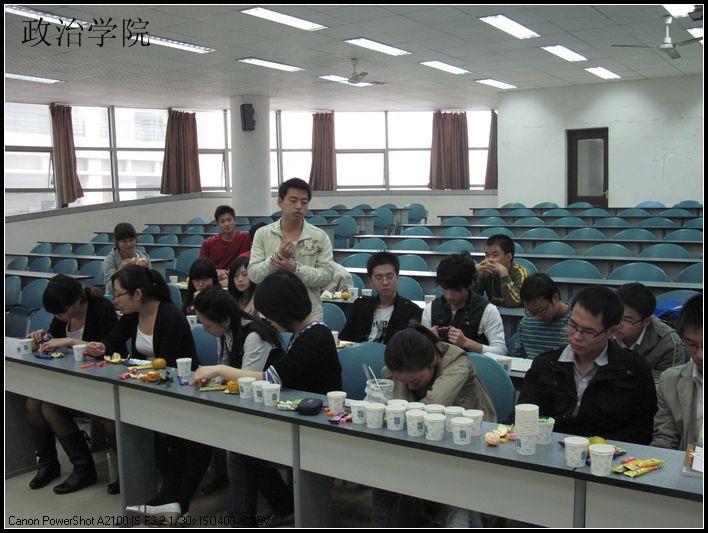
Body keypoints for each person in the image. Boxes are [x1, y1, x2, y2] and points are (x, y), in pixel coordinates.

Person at [193, 270, 341, 527]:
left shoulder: (315, 337)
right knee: (243, 448)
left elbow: (270, 378)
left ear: (282, 310)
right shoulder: (305, 334)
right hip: (299, 417)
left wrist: (219, 370)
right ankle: (280, 506)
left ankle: (246, 520)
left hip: (316, 428)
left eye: (269, 313)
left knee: (242, 453)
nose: (266, 319)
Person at [84, 266, 207, 523]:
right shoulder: (132, 316)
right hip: (150, 390)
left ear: (138, 294)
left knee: (184, 438)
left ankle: (172, 501)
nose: (116, 300)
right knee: (135, 425)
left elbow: (169, 365)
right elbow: (113, 340)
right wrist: (100, 347)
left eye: (119, 294)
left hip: (181, 390)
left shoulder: (170, 316)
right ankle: (172, 502)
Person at [373, 325, 496, 527]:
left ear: (433, 360)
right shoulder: (404, 368)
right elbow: (399, 407)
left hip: (470, 446)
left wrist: (400, 405)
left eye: (415, 381)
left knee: (459, 503)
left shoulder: (457, 364)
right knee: (386, 480)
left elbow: (431, 406)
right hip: (426, 441)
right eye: (404, 381)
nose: (411, 386)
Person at [518, 286, 657, 444]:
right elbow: (524, 414)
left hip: (608, 452)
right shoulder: (546, 364)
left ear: (611, 332)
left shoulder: (633, 369)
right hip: (549, 446)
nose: (577, 336)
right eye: (572, 325)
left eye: (588, 331)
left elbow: (642, 429)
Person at [25, 275, 118, 494]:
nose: (59, 317)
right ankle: (49, 464)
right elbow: (55, 339)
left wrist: (71, 341)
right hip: (72, 378)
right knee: (33, 404)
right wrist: (44, 337)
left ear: (77, 301)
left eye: (62, 312)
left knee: (50, 407)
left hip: (101, 380)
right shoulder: (62, 314)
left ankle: (85, 468)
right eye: (56, 314)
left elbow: (109, 348)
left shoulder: (101, 309)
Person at [248, 178, 334, 320]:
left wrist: (295, 268)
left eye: (304, 202)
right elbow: (254, 275)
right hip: (271, 313)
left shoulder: (319, 236)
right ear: (280, 202)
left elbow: (326, 276)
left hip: (308, 313)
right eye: (293, 201)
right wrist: (277, 258)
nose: (299, 206)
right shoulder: (263, 234)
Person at [422, 252, 507, 355]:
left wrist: (467, 343)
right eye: (444, 288)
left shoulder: (488, 310)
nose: (449, 296)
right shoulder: (430, 309)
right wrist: (427, 341)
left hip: (474, 364)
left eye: (456, 290)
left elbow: (501, 351)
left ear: (470, 284)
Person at [652, 294, 703, 451]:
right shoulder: (671, 381)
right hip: (687, 464)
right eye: (692, 345)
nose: (700, 355)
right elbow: (665, 440)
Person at [340, 252, 422, 344]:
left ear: (397, 277)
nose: (385, 282)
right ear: (371, 281)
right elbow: (345, 339)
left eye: (389, 277)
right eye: (379, 278)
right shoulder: (360, 306)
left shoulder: (411, 311)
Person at [614, 282, 684, 377]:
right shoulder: (602, 326)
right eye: (616, 315)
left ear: (646, 321)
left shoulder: (669, 343)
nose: (617, 324)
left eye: (627, 320)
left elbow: (668, 381)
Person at [512, 273, 570, 359]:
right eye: (530, 311)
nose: (537, 317)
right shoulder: (527, 322)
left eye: (540, 310)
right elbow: (517, 357)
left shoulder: (575, 324)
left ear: (555, 298)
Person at [199, 205, 251, 287]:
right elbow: (201, 267)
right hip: (216, 281)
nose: (226, 224)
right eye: (222, 221)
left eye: (229, 220)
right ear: (218, 224)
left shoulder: (246, 238)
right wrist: (215, 272)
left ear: (235, 220)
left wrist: (231, 279)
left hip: (239, 280)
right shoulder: (208, 243)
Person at [473, 233, 527, 308]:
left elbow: (514, 303)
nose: (489, 260)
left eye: (495, 255)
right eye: (487, 255)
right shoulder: (486, 272)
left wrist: (503, 274)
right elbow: (472, 299)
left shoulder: (520, 272)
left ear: (508, 257)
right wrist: (474, 273)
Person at [103, 222, 150, 292]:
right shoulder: (110, 259)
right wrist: (121, 270)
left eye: (131, 240)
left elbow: (149, 285)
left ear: (136, 240)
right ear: (117, 243)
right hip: (117, 296)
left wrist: (145, 271)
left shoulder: (144, 257)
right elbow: (109, 288)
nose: (128, 244)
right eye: (124, 241)